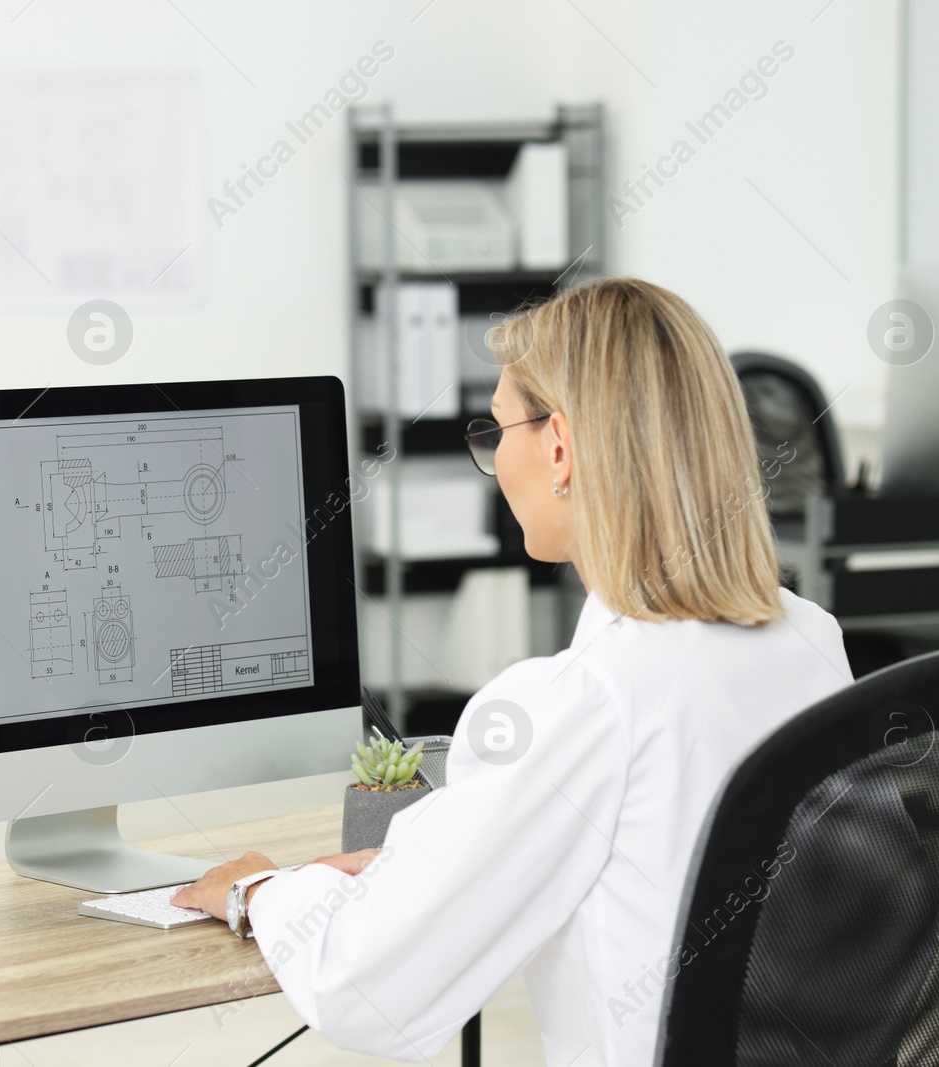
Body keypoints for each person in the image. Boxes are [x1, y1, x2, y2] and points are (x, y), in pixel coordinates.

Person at [172, 277, 852, 1067]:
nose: (495, 462)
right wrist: (425, 863)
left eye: (498, 432)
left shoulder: (585, 701)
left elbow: (370, 986)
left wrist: (261, 889)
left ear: (559, 446)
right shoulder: (811, 638)